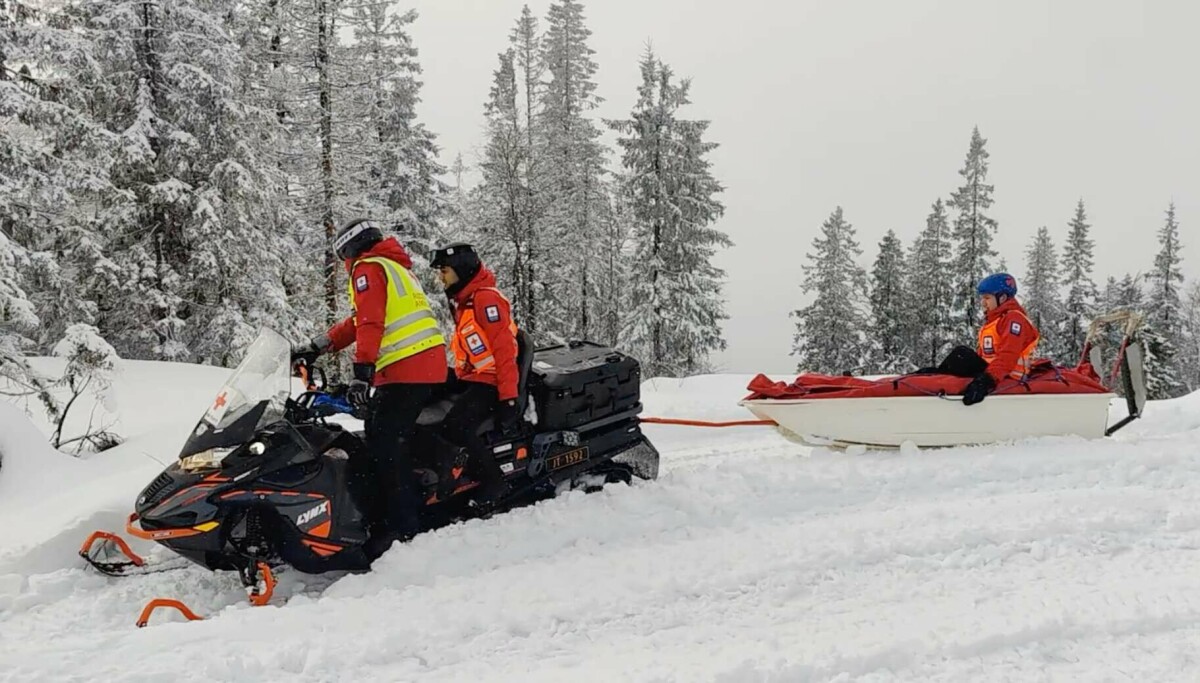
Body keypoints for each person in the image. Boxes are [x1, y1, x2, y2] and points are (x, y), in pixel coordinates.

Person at [291, 218, 447, 552]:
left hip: (407, 368)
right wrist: (319, 345)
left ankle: (402, 528)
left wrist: (361, 374)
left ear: (348, 249)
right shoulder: (391, 266)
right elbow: (360, 320)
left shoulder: (367, 268)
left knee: (385, 448)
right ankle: (395, 512)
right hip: (422, 365)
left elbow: (371, 323)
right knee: (383, 438)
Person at [428, 242, 520, 512]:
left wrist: (509, 398)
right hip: (474, 377)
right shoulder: (465, 300)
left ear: (462, 270)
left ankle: (493, 481)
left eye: (444, 271)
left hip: (492, 381)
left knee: (455, 426)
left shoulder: (485, 299)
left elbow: (504, 351)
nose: (440, 277)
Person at [962, 272, 1040, 406]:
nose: (983, 303)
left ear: (1002, 298)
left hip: (1009, 374)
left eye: (987, 298)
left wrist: (986, 380)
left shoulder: (1014, 319)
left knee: (961, 354)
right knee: (960, 357)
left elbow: (1008, 355)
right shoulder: (994, 322)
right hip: (993, 371)